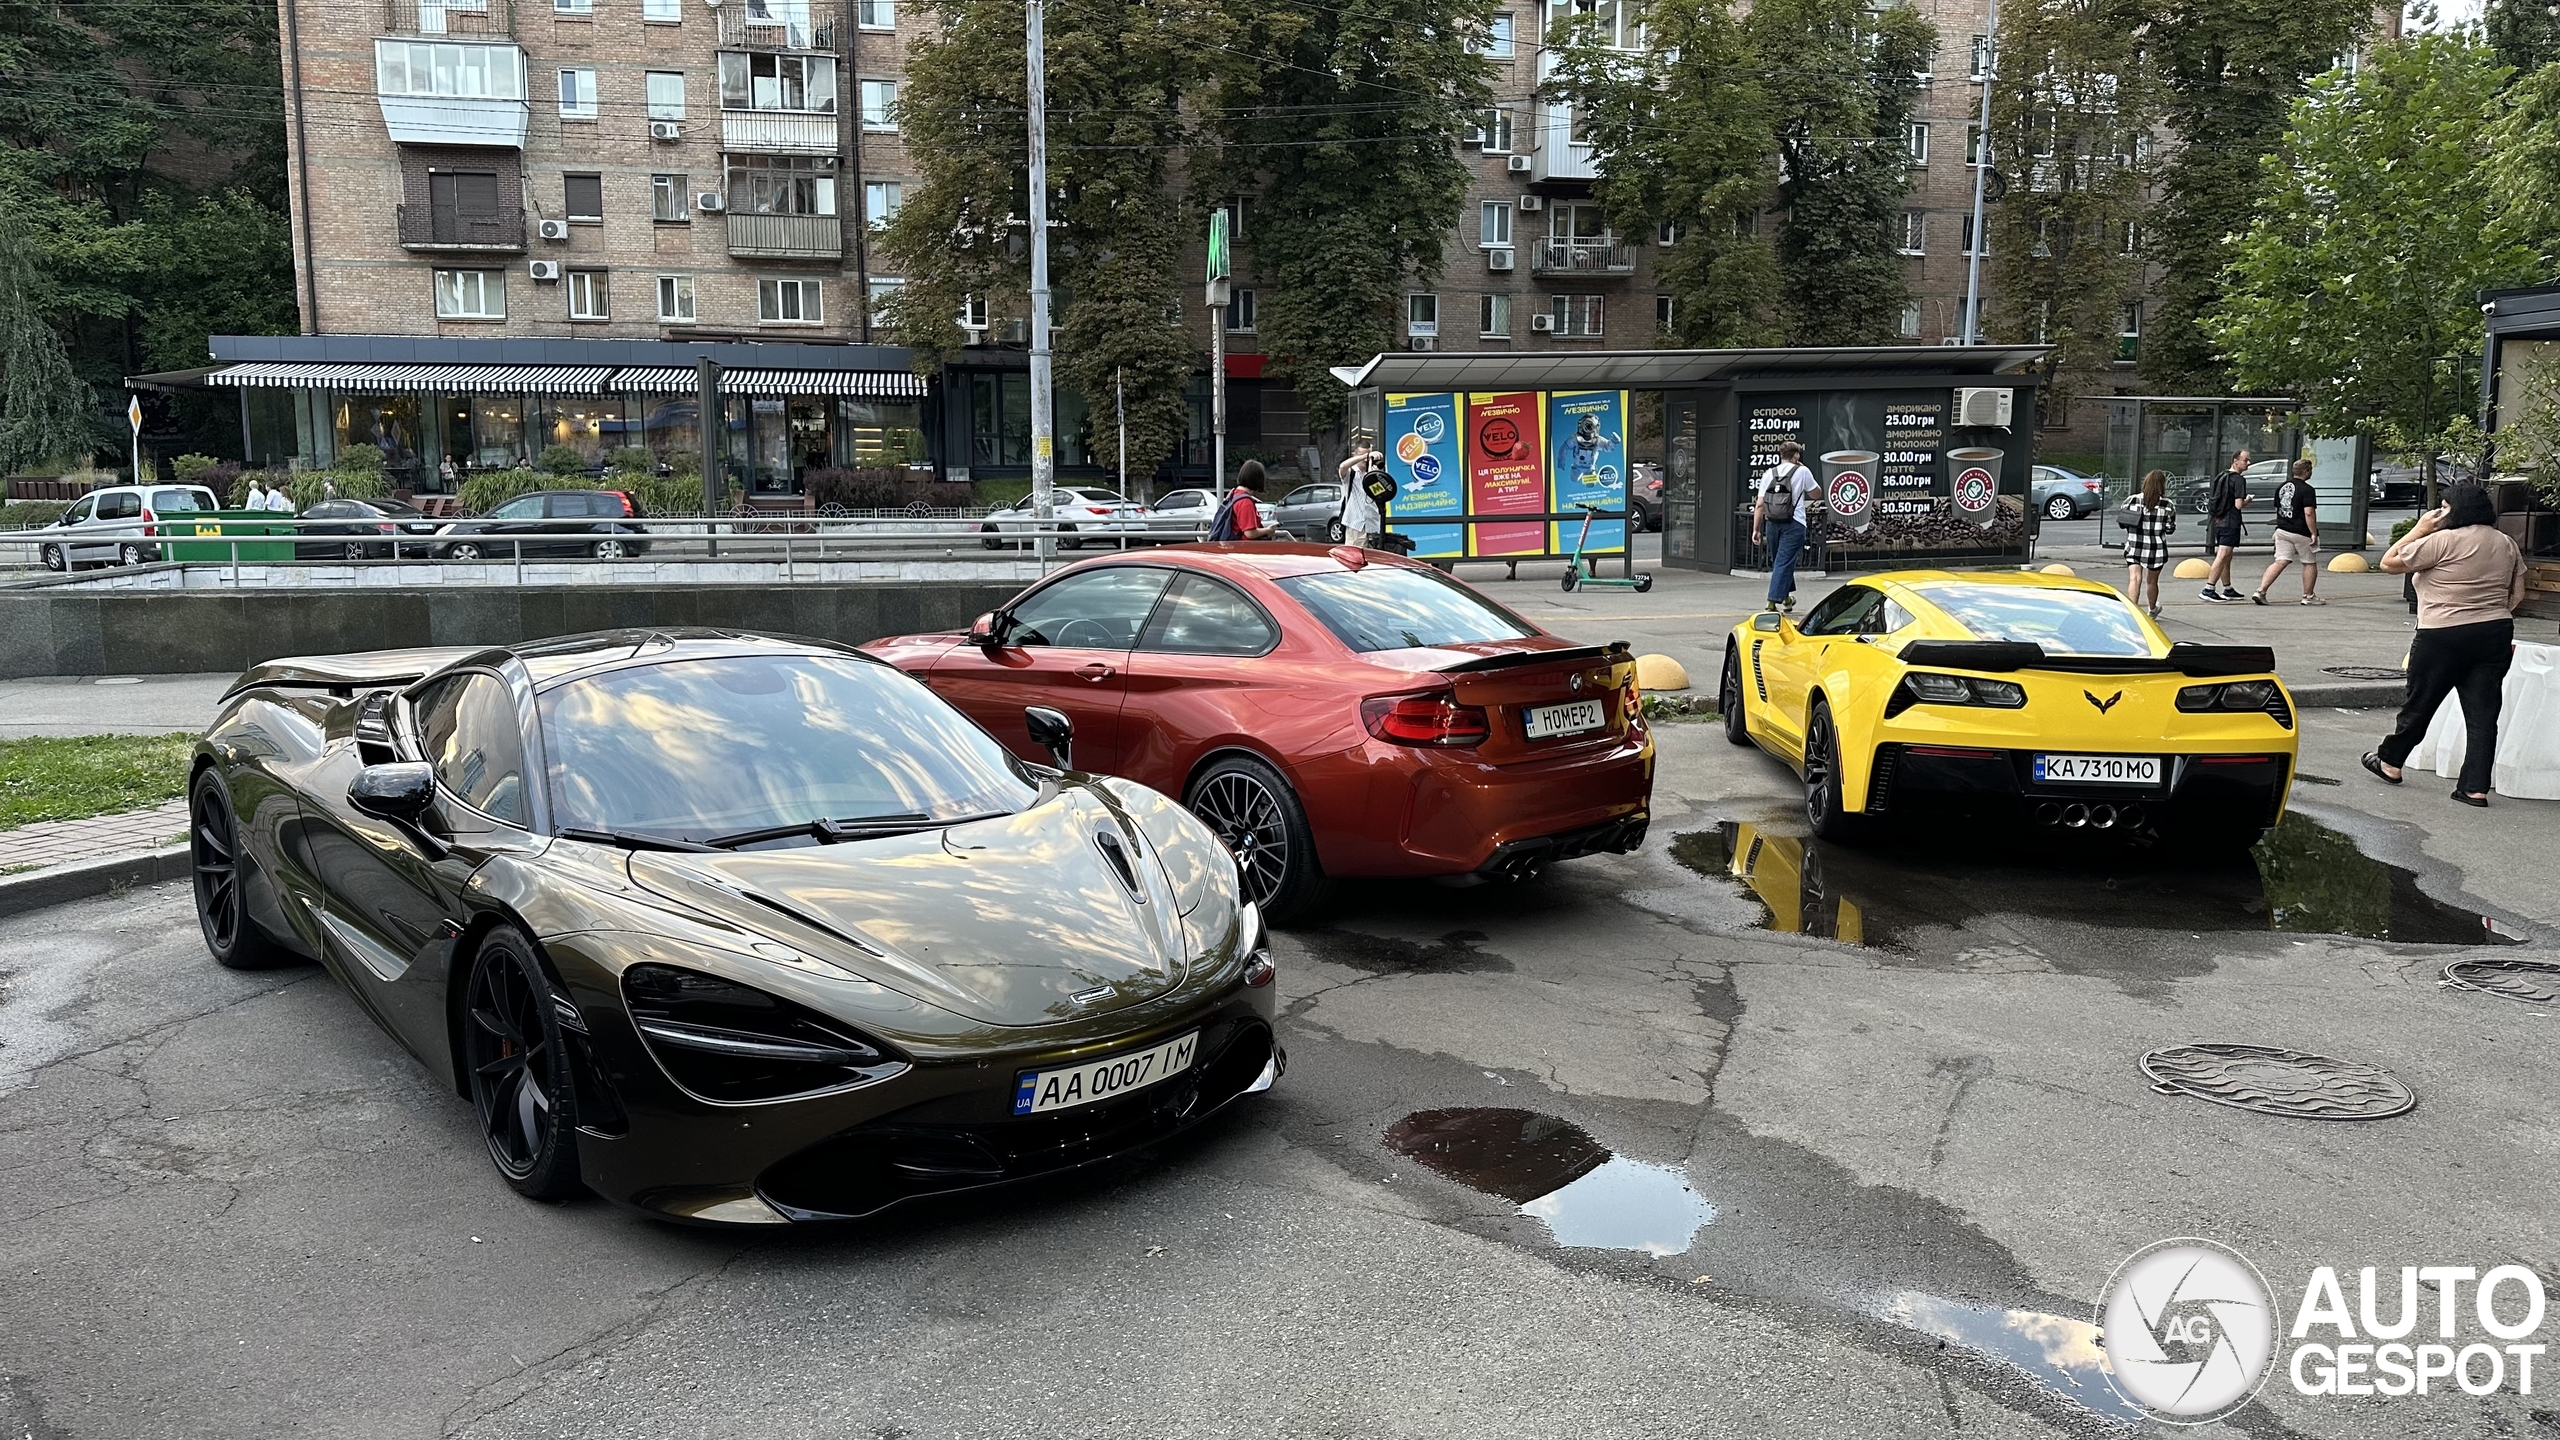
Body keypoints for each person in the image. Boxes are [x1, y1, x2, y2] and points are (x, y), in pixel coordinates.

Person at [2362, 484, 2529, 807]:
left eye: (2443, 507)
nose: (2438, 512)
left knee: (2420, 703)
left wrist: (2420, 528)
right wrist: (2490, 611)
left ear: (2455, 510)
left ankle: (2390, 763)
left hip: (2442, 634)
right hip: (2494, 631)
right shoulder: (2506, 543)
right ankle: (2474, 788)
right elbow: (2517, 593)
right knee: (2483, 714)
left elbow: (2389, 562)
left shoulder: (2443, 540)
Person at [1751, 440, 1819, 612]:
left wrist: (1756, 529)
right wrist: (1803, 469)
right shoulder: (1802, 471)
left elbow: (1760, 504)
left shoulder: (1769, 473)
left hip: (1772, 523)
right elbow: (1816, 493)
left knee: (1780, 562)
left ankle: (1787, 599)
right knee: (1784, 562)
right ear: (1796, 455)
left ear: (1781, 456)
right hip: (1794, 523)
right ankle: (1771, 602)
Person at [2252, 459, 2323, 605]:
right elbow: (2308, 513)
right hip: (2301, 532)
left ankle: (2261, 591)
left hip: (2282, 529)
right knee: (2309, 563)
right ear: (2306, 471)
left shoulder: (2281, 487)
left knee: (2280, 561)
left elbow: (2279, 508)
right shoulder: (2307, 490)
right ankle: (2308, 596)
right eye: (2310, 470)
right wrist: (2313, 532)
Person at [2120, 469, 2178, 619]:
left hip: (2134, 546)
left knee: (2135, 578)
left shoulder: (2132, 500)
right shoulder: (2167, 505)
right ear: (2162, 485)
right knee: (2152, 582)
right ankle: (2152, 610)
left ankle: (2132, 613)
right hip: (2156, 549)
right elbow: (2170, 528)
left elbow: (2123, 522)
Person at [2202, 450, 2250, 602]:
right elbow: (2238, 505)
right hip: (2231, 521)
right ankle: (2209, 588)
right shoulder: (2238, 480)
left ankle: (2228, 588)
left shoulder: (2221, 476)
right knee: (2223, 554)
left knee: (2227, 556)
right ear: (2235, 461)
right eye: (2245, 460)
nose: (2248, 463)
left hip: (2218, 520)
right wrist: (2248, 500)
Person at [1335, 433, 1386, 549]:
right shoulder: (1351, 473)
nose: (1366, 459)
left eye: (1368, 455)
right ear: (1355, 455)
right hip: (1356, 525)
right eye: (1363, 455)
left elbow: (1379, 495)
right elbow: (1342, 467)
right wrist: (1365, 457)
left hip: (1373, 524)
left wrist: (1377, 475)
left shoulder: (1373, 473)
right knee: (1355, 560)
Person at [1206, 459, 1276, 542]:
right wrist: (1268, 530)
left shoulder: (1234, 495)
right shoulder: (1245, 502)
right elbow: (1250, 533)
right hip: (1244, 549)